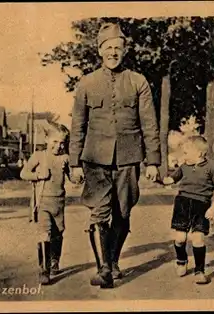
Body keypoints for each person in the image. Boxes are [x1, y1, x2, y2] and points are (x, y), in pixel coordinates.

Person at [69, 23, 161, 289]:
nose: (113, 52)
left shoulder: (138, 81)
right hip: (95, 160)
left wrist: (153, 160)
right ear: (99, 50)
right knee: (100, 212)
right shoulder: (86, 83)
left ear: (124, 50)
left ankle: (113, 259)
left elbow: (149, 123)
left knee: (123, 212)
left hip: (128, 158)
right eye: (108, 48)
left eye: (117, 48)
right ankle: (104, 268)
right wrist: (75, 162)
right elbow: (78, 125)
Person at [162, 136, 214, 284]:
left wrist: (213, 208)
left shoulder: (212, 166)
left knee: (198, 239)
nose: (183, 156)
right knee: (180, 238)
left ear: (198, 153)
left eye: (185, 153)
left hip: (201, 205)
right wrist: (161, 179)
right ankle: (181, 260)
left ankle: (199, 271)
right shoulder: (184, 166)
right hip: (182, 203)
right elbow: (171, 180)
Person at [20, 122, 72, 285]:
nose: (59, 146)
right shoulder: (39, 156)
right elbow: (23, 173)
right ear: (46, 139)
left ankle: (55, 260)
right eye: (55, 142)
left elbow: (73, 177)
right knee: (44, 232)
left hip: (59, 203)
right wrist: (37, 175)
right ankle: (44, 269)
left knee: (58, 233)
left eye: (62, 142)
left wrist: (78, 176)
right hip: (42, 202)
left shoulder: (66, 158)